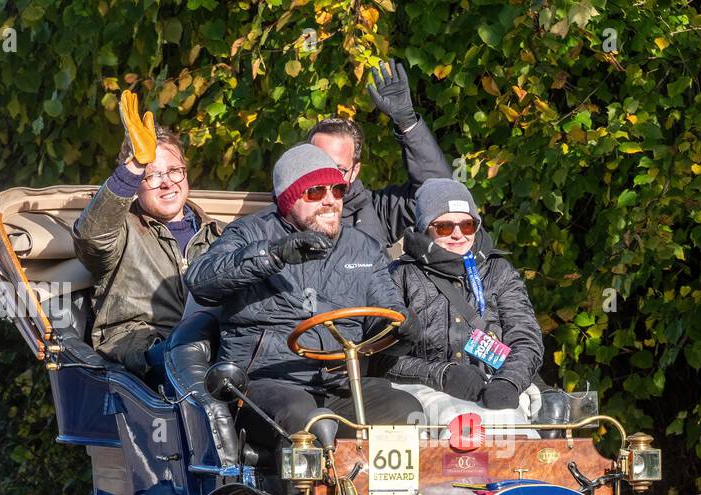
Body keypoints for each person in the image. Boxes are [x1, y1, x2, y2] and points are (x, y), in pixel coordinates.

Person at [183, 143, 423, 436]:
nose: (329, 200)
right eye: (315, 192)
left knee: (405, 409)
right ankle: (300, 484)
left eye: (338, 190)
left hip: (339, 383)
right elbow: (201, 281)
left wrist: (404, 329)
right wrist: (274, 255)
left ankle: (379, 483)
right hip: (265, 382)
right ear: (288, 199)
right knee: (304, 417)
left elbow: (385, 321)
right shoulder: (250, 233)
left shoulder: (364, 248)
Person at [72, 90, 221, 376]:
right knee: (186, 357)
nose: (167, 183)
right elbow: (92, 238)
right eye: (152, 175)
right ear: (135, 184)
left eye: (174, 171)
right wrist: (135, 165)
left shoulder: (221, 235)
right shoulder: (124, 229)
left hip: (211, 349)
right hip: (140, 352)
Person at [376, 179, 543, 411]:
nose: (458, 235)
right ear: (425, 228)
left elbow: (526, 339)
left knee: (513, 426)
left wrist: (508, 381)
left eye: (467, 225)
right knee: (457, 423)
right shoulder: (400, 274)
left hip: (498, 385)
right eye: (444, 227)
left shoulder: (499, 270)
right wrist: (444, 374)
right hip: (427, 392)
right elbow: (381, 356)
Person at [307, 60, 451, 249]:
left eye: (339, 169)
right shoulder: (285, 215)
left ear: (355, 170)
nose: (327, 178)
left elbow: (439, 191)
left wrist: (408, 123)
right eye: (320, 165)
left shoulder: (375, 211)